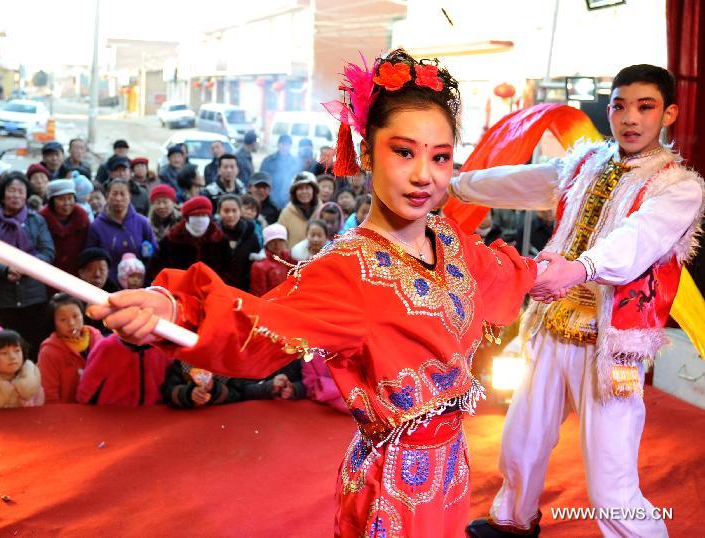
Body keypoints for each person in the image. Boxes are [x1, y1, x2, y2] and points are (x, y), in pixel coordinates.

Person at [90, 48, 537, 537]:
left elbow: (508, 274)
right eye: (404, 152)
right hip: (394, 492)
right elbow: (259, 327)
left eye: (441, 157)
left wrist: (577, 268)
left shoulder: (451, 240)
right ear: (366, 154)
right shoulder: (346, 269)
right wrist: (174, 309)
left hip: (453, 472)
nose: (424, 175)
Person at [451, 64, 703, 538]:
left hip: (611, 347)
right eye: (620, 106)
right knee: (521, 440)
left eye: (645, 107)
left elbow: (637, 240)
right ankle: (513, 519)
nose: (630, 118)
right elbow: (523, 181)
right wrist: (454, 183)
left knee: (611, 483)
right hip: (551, 323)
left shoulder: (678, 186)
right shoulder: (585, 164)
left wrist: (579, 268)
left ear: (668, 113)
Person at [0, 173, 55, 358]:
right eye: (11, 191)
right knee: (3, 349)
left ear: (26, 195)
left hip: (33, 298)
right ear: (2, 194)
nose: (16, 195)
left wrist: (26, 267)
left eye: (20, 191)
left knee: (33, 349)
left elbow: (47, 251)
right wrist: (4, 270)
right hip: (1, 299)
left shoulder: (36, 220)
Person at [86, 179, 159, 282]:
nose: (118, 198)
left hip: (139, 282)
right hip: (109, 284)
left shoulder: (142, 222)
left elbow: (155, 252)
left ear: (130, 196)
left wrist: (148, 254)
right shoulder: (96, 226)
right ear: (107, 196)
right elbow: (91, 258)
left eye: (123, 194)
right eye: (114, 194)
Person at [38, 294, 104, 403]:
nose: (71, 323)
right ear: (53, 323)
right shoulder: (49, 352)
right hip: (68, 410)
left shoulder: (97, 338)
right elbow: (49, 394)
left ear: (83, 314)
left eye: (75, 316)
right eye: (63, 319)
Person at [76, 333, 173, 406]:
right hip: (110, 416)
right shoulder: (107, 347)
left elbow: (169, 382)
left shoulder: (163, 348)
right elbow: (87, 389)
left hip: (152, 415)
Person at [151, 196, 228, 276]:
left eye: (204, 215)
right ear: (187, 218)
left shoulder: (219, 239)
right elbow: (157, 267)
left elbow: (227, 269)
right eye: (196, 215)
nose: (200, 219)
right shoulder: (172, 239)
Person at [40, 179, 89, 278]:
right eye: (61, 199)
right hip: (50, 273)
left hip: (77, 272)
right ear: (52, 201)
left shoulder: (82, 217)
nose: (67, 203)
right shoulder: (42, 219)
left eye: (70, 198)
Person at [216, 194, 260, 291]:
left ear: (240, 212)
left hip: (244, 288)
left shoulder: (250, 234)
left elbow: (255, 264)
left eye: (234, 210)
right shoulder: (213, 235)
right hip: (217, 287)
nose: (230, 215)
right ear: (219, 212)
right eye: (226, 211)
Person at [160, 360, 242, 409]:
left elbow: (240, 392)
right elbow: (168, 391)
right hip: (187, 420)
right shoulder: (182, 363)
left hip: (222, 418)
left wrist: (215, 389)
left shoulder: (229, 364)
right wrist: (189, 393)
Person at [75, 247, 117, 337]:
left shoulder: (117, 295)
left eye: (102, 269)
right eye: (91, 269)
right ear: (81, 273)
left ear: (108, 272)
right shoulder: (71, 296)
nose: (97, 274)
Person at [249, 223, 296, 297]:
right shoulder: (259, 266)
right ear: (266, 242)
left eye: (280, 240)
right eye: (272, 240)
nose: (277, 244)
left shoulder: (289, 258)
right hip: (270, 301)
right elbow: (259, 294)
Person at [278, 172, 321, 246]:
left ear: (314, 191)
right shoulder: (286, 214)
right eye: (300, 188)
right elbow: (280, 240)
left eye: (307, 188)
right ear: (294, 193)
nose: (304, 191)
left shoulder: (323, 210)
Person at [230, 362, 305, 402]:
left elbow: (307, 382)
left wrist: (294, 389)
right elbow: (241, 389)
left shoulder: (296, 359)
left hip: (287, 413)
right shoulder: (254, 358)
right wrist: (269, 387)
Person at [260, 134, 299, 208]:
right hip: (270, 197)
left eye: (287, 145)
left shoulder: (295, 162)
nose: (284, 147)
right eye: (282, 144)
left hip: (288, 198)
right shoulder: (268, 160)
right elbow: (262, 179)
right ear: (278, 145)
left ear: (290, 146)